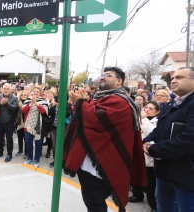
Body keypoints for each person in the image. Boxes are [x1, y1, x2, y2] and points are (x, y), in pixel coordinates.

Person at [63, 67, 147, 211]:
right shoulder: (103, 98)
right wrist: (85, 102)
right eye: (102, 75)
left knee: (95, 204)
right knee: (92, 202)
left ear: (119, 81)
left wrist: (81, 103)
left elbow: (96, 119)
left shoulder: (120, 101)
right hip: (91, 163)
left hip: (102, 164)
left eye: (107, 75)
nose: (102, 77)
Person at [143, 67, 194, 212]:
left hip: (187, 175)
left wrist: (154, 150)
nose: (174, 80)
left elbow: (189, 140)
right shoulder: (172, 104)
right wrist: (146, 141)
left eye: (179, 77)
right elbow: (159, 129)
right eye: (172, 78)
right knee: (163, 207)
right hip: (165, 171)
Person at [129, 101, 160, 212]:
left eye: (151, 108)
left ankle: (154, 205)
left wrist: (144, 119)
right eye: (146, 107)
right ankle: (137, 195)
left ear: (157, 111)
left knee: (151, 183)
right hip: (138, 153)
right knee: (136, 176)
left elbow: (151, 133)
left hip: (149, 157)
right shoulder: (140, 119)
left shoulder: (157, 121)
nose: (147, 110)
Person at [22, 85, 48, 167]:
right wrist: (31, 103)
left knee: (38, 144)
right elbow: (23, 110)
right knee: (28, 144)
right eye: (35, 91)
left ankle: (36, 160)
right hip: (28, 126)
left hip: (38, 128)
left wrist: (36, 103)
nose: (36, 93)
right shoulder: (28, 100)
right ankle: (29, 159)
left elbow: (44, 112)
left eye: (38, 91)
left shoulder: (44, 101)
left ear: (40, 93)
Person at [0, 83, 18, 162]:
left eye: (7, 89)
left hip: (9, 122)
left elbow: (14, 109)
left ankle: (9, 154)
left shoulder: (14, 98)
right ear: (2, 89)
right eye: (4, 88)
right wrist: (0, 103)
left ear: (10, 90)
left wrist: (6, 103)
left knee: (9, 139)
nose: (6, 90)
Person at [15, 90, 28, 158]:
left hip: (26, 123)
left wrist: (22, 106)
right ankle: (20, 150)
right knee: (20, 137)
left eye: (25, 95)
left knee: (26, 138)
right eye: (22, 95)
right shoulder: (18, 102)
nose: (23, 96)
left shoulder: (28, 102)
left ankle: (26, 152)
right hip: (19, 123)